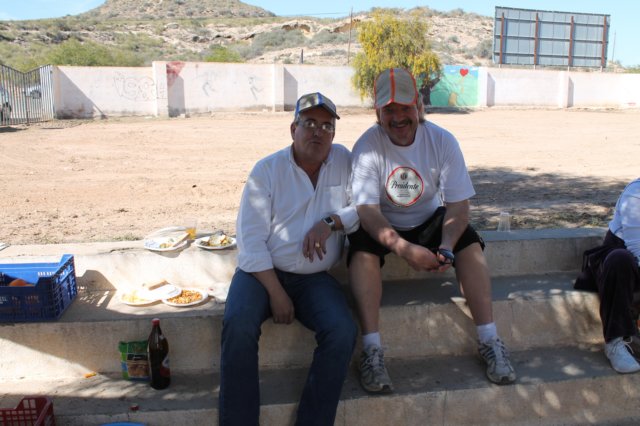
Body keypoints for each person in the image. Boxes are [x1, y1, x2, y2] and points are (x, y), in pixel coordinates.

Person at [348, 67, 517, 393]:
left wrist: (447, 246)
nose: (398, 117)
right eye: (389, 110)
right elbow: (366, 211)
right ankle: (371, 350)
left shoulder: (442, 140)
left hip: (428, 220)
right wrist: (403, 248)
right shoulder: (367, 146)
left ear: (419, 107)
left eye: (405, 107)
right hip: (382, 222)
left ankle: (489, 340)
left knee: (470, 244)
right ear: (377, 113)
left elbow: (458, 207)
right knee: (361, 251)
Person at [218, 92, 359, 425]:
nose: (318, 132)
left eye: (327, 126)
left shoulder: (343, 160)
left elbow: (362, 207)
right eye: (309, 123)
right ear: (293, 128)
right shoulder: (267, 170)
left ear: (334, 134)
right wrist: (276, 293)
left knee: (342, 331)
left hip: (314, 279)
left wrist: (330, 222)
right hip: (260, 275)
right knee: (238, 325)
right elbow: (251, 241)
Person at [575, 178, 640, 373]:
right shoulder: (635, 192)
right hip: (625, 259)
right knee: (619, 260)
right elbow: (637, 249)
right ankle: (615, 342)